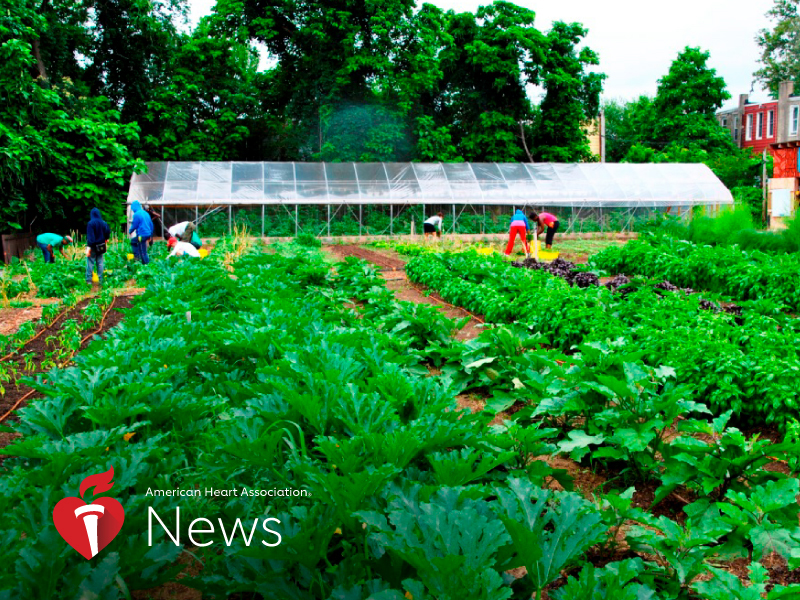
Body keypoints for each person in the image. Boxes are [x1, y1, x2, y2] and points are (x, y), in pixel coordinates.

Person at [86, 208, 110, 285]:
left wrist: (89, 248)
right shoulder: (103, 223)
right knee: (100, 262)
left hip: (93, 246)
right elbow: (107, 232)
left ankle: (89, 280)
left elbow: (91, 238)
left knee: (90, 262)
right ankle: (101, 280)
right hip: (101, 246)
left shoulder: (91, 223)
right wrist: (106, 239)